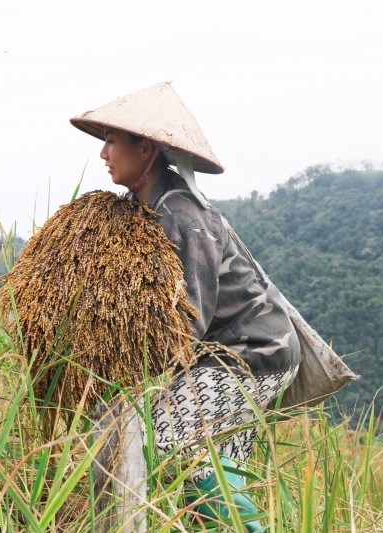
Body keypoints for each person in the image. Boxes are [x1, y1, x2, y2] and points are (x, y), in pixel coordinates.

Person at [70, 82, 302, 530]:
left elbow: (185, 324)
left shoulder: (182, 217)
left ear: (147, 149)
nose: (103, 153)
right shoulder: (145, 206)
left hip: (252, 355)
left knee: (165, 444)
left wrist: (130, 382)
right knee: (207, 467)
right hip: (226, 353)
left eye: (112, 141)